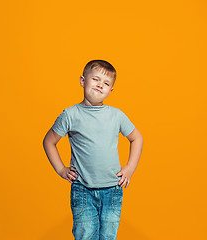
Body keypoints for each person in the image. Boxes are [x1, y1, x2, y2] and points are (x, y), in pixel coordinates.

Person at [43, 60, 143, 240]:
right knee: (85, 235)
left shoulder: (116, 115)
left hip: (112, 189)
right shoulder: (70, 115)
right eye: (95, 79)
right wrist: (61, 169)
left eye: (106, 83)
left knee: (108, 236)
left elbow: (137, 138)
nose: (100, 85)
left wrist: (130, 168)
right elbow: (49, 141)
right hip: (83, 189)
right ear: (83, 81)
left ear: (111, 90)